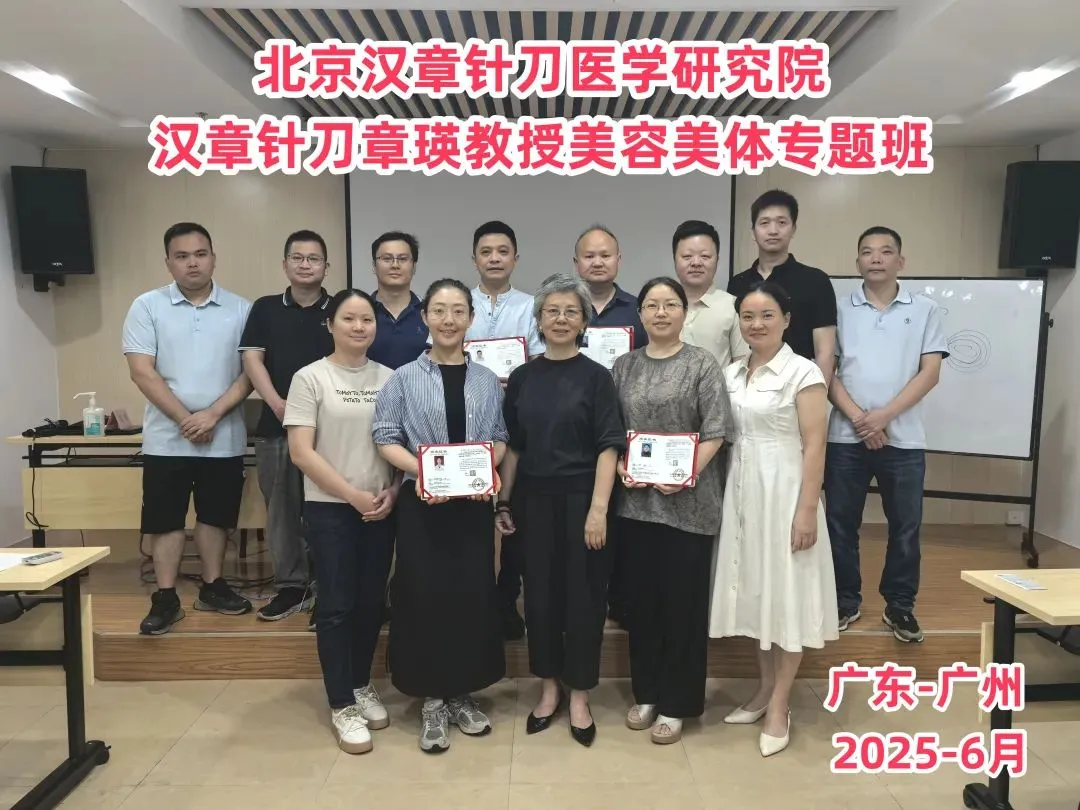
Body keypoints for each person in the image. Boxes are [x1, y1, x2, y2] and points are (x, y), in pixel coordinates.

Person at [372, 278, 508, 754]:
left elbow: (499, 436)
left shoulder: (487, 380)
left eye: (458, 311)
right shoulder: (403, 378)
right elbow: (385, 437)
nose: (449, 320)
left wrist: (483, 469)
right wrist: (428, 473)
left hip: (472, 507)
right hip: (423, 505)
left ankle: (461, 692)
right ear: (425, 317)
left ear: (471, 318)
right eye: (439, 311)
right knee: (423, 595)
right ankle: (431, 698)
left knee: (470, 594)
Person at [708, 281, 838, 759]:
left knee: (787, 596)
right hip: (742, 491)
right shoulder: (731, 371)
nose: (756, 324)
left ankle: (781, 704)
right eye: (747, 316)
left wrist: (806, 509)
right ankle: (763, 690)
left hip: (785, 491)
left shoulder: (803, 372)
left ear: (786, 319)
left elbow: (815, 445)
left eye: (766, 315)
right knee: (758, 593)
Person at [495, 273, 624, 748]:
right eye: (552, 311)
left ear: (584, 321)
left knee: (585, 599)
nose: (562, 319)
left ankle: (580, 695)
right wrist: (504, 501)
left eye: (572, 311)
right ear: (539, 319)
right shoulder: (523, 378)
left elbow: (609, 446)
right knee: (541, 598)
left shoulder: (598, 377)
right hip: (533, 503)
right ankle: (549, 688)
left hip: (584, 501)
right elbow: (514, 447)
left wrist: (598, 510)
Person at [611, 277, 734, 745]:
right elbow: (612, 431)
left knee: (682, 607)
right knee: (642, 605)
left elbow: (717, 431)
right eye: (651, 305)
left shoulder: (702, 364)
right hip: (636, 505)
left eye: (669, 305)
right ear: (640, 314)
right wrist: (622, 467)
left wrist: (683, 473)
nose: (660, 313)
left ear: (684, 313)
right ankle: (647, 692)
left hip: (689, 505)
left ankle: (677, 702)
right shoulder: (624, 366)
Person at [123, 222, 254, 635]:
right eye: (182, 256)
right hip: (167, 439)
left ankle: (213, 587)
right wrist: (186, 418)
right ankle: (165, 597)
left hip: (223, 435)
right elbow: (142, 372)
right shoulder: (147, 306)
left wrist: (212, 414)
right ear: (168, 262)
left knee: (216, 516)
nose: (192, 263)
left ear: (213, 258)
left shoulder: (242, 309)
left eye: (200, 254)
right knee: (165, 519)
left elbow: (251, 373)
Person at [284, 289, 399, 754]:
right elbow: (301, 452)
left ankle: (360, 683)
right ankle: (341, 704)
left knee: (371, 602)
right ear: (330, 324)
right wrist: (351, 495)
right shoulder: (310, 378)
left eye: (366, 319)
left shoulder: (391, 378)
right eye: (348, 318)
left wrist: (393, 491)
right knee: (336, 605)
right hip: (331, 508)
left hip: (380, 507)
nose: (358, 327)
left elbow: (397, 444)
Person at [826, 227, 948, 643]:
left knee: (906, 528)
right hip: (845, 437)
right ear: (857, 261)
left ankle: (900, 606)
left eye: (885, 251)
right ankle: (843, 601)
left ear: (901, 261)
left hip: (904, 439)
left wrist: (883, 418)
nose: (875, 258)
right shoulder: (838, 309)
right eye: (867, 252)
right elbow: (826, 372)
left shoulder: (925, 309)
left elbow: (930, 372)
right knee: (840, 525)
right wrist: (861, 420)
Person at [240, 230, 333, 622]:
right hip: (276, 426)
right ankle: (292, 586)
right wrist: (279, 404)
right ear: (285, 264)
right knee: (281, 511)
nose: (305, 265)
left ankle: (328, 588)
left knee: (328, 511)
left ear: (326, 266)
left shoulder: (339, 308)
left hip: (330, 433)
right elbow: (252, 360)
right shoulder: (265, 308)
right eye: (298, 257)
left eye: (314, 258)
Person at [463, 220, 542, 640]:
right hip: (468, 422)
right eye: (486, 251)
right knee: (473, 512)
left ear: (515, 257)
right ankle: (473, 599)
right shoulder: (459, 303)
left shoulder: (532, 306)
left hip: (520, 419)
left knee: (514, 512)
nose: (494, 258)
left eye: (503, 251)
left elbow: (540, 359)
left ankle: (508, 599)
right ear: (474, 258)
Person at [571, 224, 646, 630]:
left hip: (626, 426)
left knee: (621, 514)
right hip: (573, 425)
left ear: (619, 260)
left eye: (605, 255)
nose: (597, 262)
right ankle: (583, 597)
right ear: (576, 263)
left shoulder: (638, 310)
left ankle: (620, 598)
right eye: (589, 255)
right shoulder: (566, 309)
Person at [728, 189, 837, 386]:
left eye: (781, 222)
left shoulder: (816, 280)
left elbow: (825, 353)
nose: (773, 230)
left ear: (793, 229)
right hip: (747, 388)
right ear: (753, 232)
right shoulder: (738, 283)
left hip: (799, 387)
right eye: (764, 223)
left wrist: (815, 394)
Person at [673, 219, 749, 368]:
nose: (696, 262)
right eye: (687, 256)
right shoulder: (659, 308)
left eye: (705, 256)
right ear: (674, 260)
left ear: (717, 260)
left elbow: (741, 366)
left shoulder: (734, 306)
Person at [367, 231, 429, 370]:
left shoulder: (430, 313)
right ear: (374, 266)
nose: (395, 265)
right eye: (387, 258)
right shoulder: (361, 313)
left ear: (414, 266)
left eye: (403, 259)